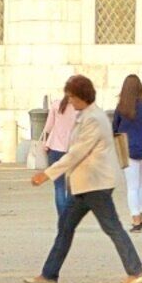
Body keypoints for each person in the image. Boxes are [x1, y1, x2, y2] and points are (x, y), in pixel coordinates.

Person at [28, 74, 142, 283]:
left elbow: (77, 152)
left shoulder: (93, 119)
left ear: (82, 96)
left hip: (95, 183)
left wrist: (47, 174)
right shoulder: (87, 116)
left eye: (72, 97)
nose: (70, 101)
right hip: (85, 184)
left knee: (112, 227)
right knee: (66, 226)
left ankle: (136, 271)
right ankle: (49, 274)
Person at [110, 74, 142, 229]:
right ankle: (141, 216)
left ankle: (135, 219)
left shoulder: (121, 108)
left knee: (132, 187)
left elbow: (115, 129)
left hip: (128, 150)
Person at [37, 83, 85, 222]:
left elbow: (48, 127)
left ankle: (62, 218)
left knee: (59, 186)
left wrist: (45, 144)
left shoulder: (56, 105)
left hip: (55, 149)